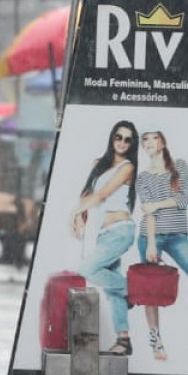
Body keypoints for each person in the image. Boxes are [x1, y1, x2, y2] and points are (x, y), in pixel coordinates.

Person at [134, 131, 188, 362]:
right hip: (151, 235)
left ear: (163, 142)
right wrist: (149, 243)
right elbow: (147, 214)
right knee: (150, 292)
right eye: (145, 139)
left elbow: (184, 198)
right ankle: (156, 341)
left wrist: (156, 205)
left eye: (153, 138)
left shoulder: (179, 166)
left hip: (177, 235)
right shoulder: (143, 177)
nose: (148, 143)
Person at [71, 120, 139, 356]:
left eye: (127, 139)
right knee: (112, 289)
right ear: (112, 138)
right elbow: (87, 194)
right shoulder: (98, 164)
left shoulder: (128, 167)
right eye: (118, 137)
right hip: (104, 233)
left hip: (121, 229)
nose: (122, 142)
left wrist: (77, 211)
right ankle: (124, 339)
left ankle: (133, 290)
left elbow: (102, 194)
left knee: (88, 269)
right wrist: (80, 217)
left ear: (132, 144)